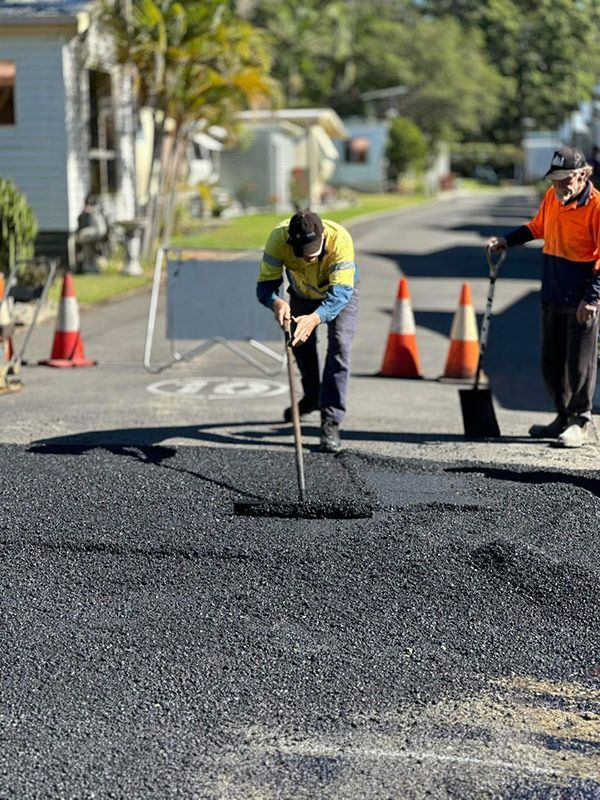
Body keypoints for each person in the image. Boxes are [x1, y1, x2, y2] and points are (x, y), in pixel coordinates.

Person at [487, 145, 600, 448]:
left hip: (582, 298)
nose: (559, 185)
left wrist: (593, 297)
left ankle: (582, 421)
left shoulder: (597, 206)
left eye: (565, 179)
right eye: (555, 179)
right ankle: (562, 417)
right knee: (551, 362)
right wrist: (506, 241)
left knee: (580, 364)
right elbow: (537, 227)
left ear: (581, 175)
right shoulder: (553, 197)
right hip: (552, 290)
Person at [256, 209, 359, 453]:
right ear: (291, 241)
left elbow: (341, 293)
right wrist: (276, 302)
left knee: (340, 345)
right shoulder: (277, 240)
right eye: (302, 255)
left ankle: (331, 419)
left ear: (323, 237)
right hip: (301, 292)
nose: (307, 260)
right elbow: (264, 286)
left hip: (338, 293)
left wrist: (315, 318)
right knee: (299, 343)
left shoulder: (340, 239)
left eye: (312, 254)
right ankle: (312, 397)